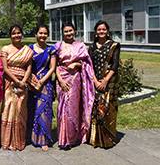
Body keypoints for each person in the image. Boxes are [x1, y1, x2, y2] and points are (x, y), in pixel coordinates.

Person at [55, 22, 96, 150]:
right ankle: (63, 139)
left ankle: (73, 137)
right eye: (66, 31)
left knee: (73, 107)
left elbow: (87, 64)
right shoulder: (58, 46)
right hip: (62, 78)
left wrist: (77, 65)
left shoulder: (81, 46)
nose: (68, 33)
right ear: (62, 32)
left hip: (75, 79)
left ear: (75, 31)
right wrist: (60, 80)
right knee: (62, 107)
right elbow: (54, 65)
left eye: (70, 31)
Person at [0, 24, 34, 151]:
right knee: (8, 109)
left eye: (19, 33)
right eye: (14, 33)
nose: (16, 35)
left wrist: (23, 81)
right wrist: (16, 81)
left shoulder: (27, 50)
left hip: (23, 84)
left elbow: (29, 67)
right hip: (10, 83)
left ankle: (19, 141)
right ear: (10, 36)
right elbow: (5, 68)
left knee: (20, 111)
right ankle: (7, 141)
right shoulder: (5, 49)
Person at [88, 20, 121, 148]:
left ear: (107, 31)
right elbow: (89, 66)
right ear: (96, 32)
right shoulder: (92, 47)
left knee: (108, 109)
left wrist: (105, 80)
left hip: (109, 83)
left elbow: (115, 64)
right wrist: (95, 81)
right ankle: (95, 139)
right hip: (95, 82)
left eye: (104, 29)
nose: (101, 31)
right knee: (95, 110)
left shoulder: (114, 45)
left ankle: (108, 139)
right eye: (99, 29)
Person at [27, 25, 56, 151]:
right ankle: (32, 137)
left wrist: (42, 81)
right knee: (32, 110)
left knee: (44, 111)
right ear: (36, 34)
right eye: (40, 33)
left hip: (46, 84)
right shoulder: (29, 49)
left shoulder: (51, 50)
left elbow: (52, 68)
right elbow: (26, 66)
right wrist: (33, 79)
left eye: (45, 33)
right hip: (32, 83)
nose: (43, 35)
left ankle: (43, 139)